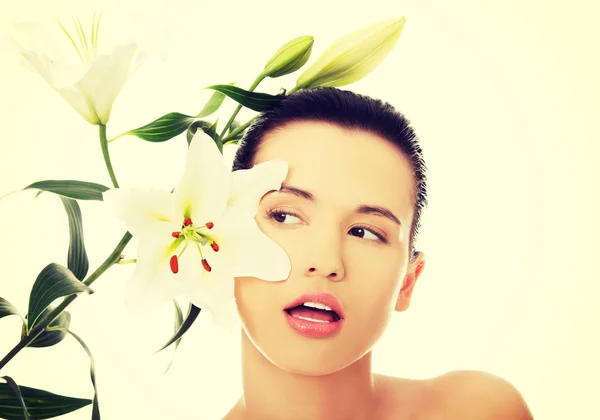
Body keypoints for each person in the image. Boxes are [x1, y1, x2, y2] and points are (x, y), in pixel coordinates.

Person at [225, 87, 533, 420]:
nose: (326, 262)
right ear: (216, 236)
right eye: (285, 216)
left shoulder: (480, 410)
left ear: (408, 281)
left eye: (365, 232)